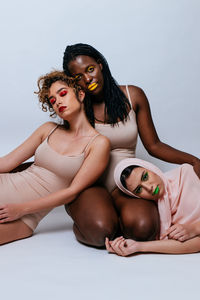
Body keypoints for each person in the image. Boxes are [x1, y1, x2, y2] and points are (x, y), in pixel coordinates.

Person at [62, 43, 200, 247]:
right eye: (78, 77)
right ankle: (85, 222)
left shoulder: (133, 95)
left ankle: (114, 215)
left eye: (90, 69)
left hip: (127, 185)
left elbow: (153, 145)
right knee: (101, 234)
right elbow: (62, 153)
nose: (87, 79)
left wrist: (194, 160)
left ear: (100, 65)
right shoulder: (76, 109)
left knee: (144, 229)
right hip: (91, 185)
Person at [0, 71, 110, 245]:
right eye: (52, 100)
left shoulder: (99, 144)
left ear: (80, 95)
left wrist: (21, 210)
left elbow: (71, 192)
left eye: (63, 93)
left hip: (24, 217)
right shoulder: (48, 129)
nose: (58, 101)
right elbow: (6, 162)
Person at [105, 158, 200, 256]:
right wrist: (138, 246)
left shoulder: (187, 173)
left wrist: (194, 228)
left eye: (145, 177)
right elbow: (196, 244)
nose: (149, 188)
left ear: (151, 168)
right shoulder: (159, 212)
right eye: (139, 189)